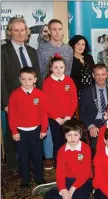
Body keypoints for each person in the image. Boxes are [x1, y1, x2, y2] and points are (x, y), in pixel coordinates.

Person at [1, 17, 42, 176]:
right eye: (15, 30)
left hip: (33, 100)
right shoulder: (3, 51)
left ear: (27, 32)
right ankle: (12, 166)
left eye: (22, 30)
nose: (19, 33)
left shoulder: (32, 51)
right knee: (13, 133)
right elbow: (1, 78)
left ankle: (31, 163)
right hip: (13, 100)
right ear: (10, 32)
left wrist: (40, 99)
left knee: (32, 132)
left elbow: (37, 74)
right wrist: (5, 102)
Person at [34, 119, 92, 199]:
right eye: (69, 135)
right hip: (68, 178)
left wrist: (72, 189)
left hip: (83, 179)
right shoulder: (61, 151)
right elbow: (60, 172)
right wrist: (63, 190)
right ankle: (49, 191)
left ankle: (61, 189)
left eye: (76, 135)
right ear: (65, 135)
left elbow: (86, 173)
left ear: (80, 135)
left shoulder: (86, 149)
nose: (72, 138)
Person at [37, 19, 73, 170]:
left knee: (65, 134)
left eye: (59, 29)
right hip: (48, 92)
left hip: (63, 91)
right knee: (50, 131)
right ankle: (50, 157)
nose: (57, 32)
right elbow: (40, 70)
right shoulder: (42, 49)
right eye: (54, 29)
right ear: (49, 31)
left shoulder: (68, 50)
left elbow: (68, 70)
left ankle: (65, 160)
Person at [8, 67, 48, 187]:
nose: (26, 82)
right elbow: (12, 115)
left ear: (35, 80)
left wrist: (44, 129)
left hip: (36, 131)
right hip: (21, 132)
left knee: (37, 156)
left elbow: (43, 113)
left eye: (30, 79)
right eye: (24, 79)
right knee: (23, 157)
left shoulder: (40, 94)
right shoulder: (15, 95)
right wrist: (14, 131)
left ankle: (39, 177)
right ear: (20, 80)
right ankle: (25, 179)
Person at [79, 64, 108, 154]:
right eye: (97, 74)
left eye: (103, 74)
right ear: (93, 76)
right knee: (96, 144)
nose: (100, 77)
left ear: (107, 74)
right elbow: (82, 113)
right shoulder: (86, 92)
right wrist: (90, 126)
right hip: (95, 123)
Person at [42, 56, 78, 160]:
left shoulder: (69, 80)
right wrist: (56, 117)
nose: (59, 70)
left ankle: (69, 161)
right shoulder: (47, 82)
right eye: (56, 67)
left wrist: (68, 116)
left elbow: (74, 99)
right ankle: (59, 163)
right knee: (57, 141)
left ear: (65, 68)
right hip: (54, 119)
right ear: (51, 68)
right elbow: (46, 102)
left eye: (61, 67)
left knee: (69, 140)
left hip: (67, 117)